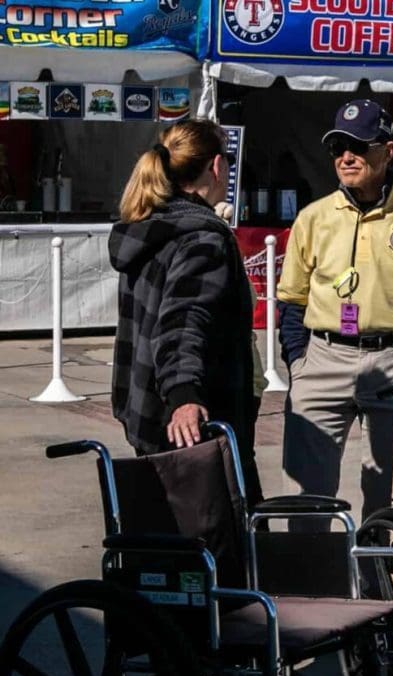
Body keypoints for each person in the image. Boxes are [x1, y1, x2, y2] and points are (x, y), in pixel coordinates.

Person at [277, 99, 393, 521]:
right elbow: (292, 299)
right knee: (306, 494)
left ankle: (384, 580)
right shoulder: (313, 217)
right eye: (338, 146)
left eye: (359, 146)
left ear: (388, 151)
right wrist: (298, 361)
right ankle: (315, 579)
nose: (346, 156)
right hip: (322, 359)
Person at [109, 118, 263, 505]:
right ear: (215, 167)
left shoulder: (153, 227)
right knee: (220, 549)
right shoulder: (201, 239)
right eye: (226, 159)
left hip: (150, 419)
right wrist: (184, 396)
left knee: (165, 547)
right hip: (197, 427)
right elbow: (183, 322)